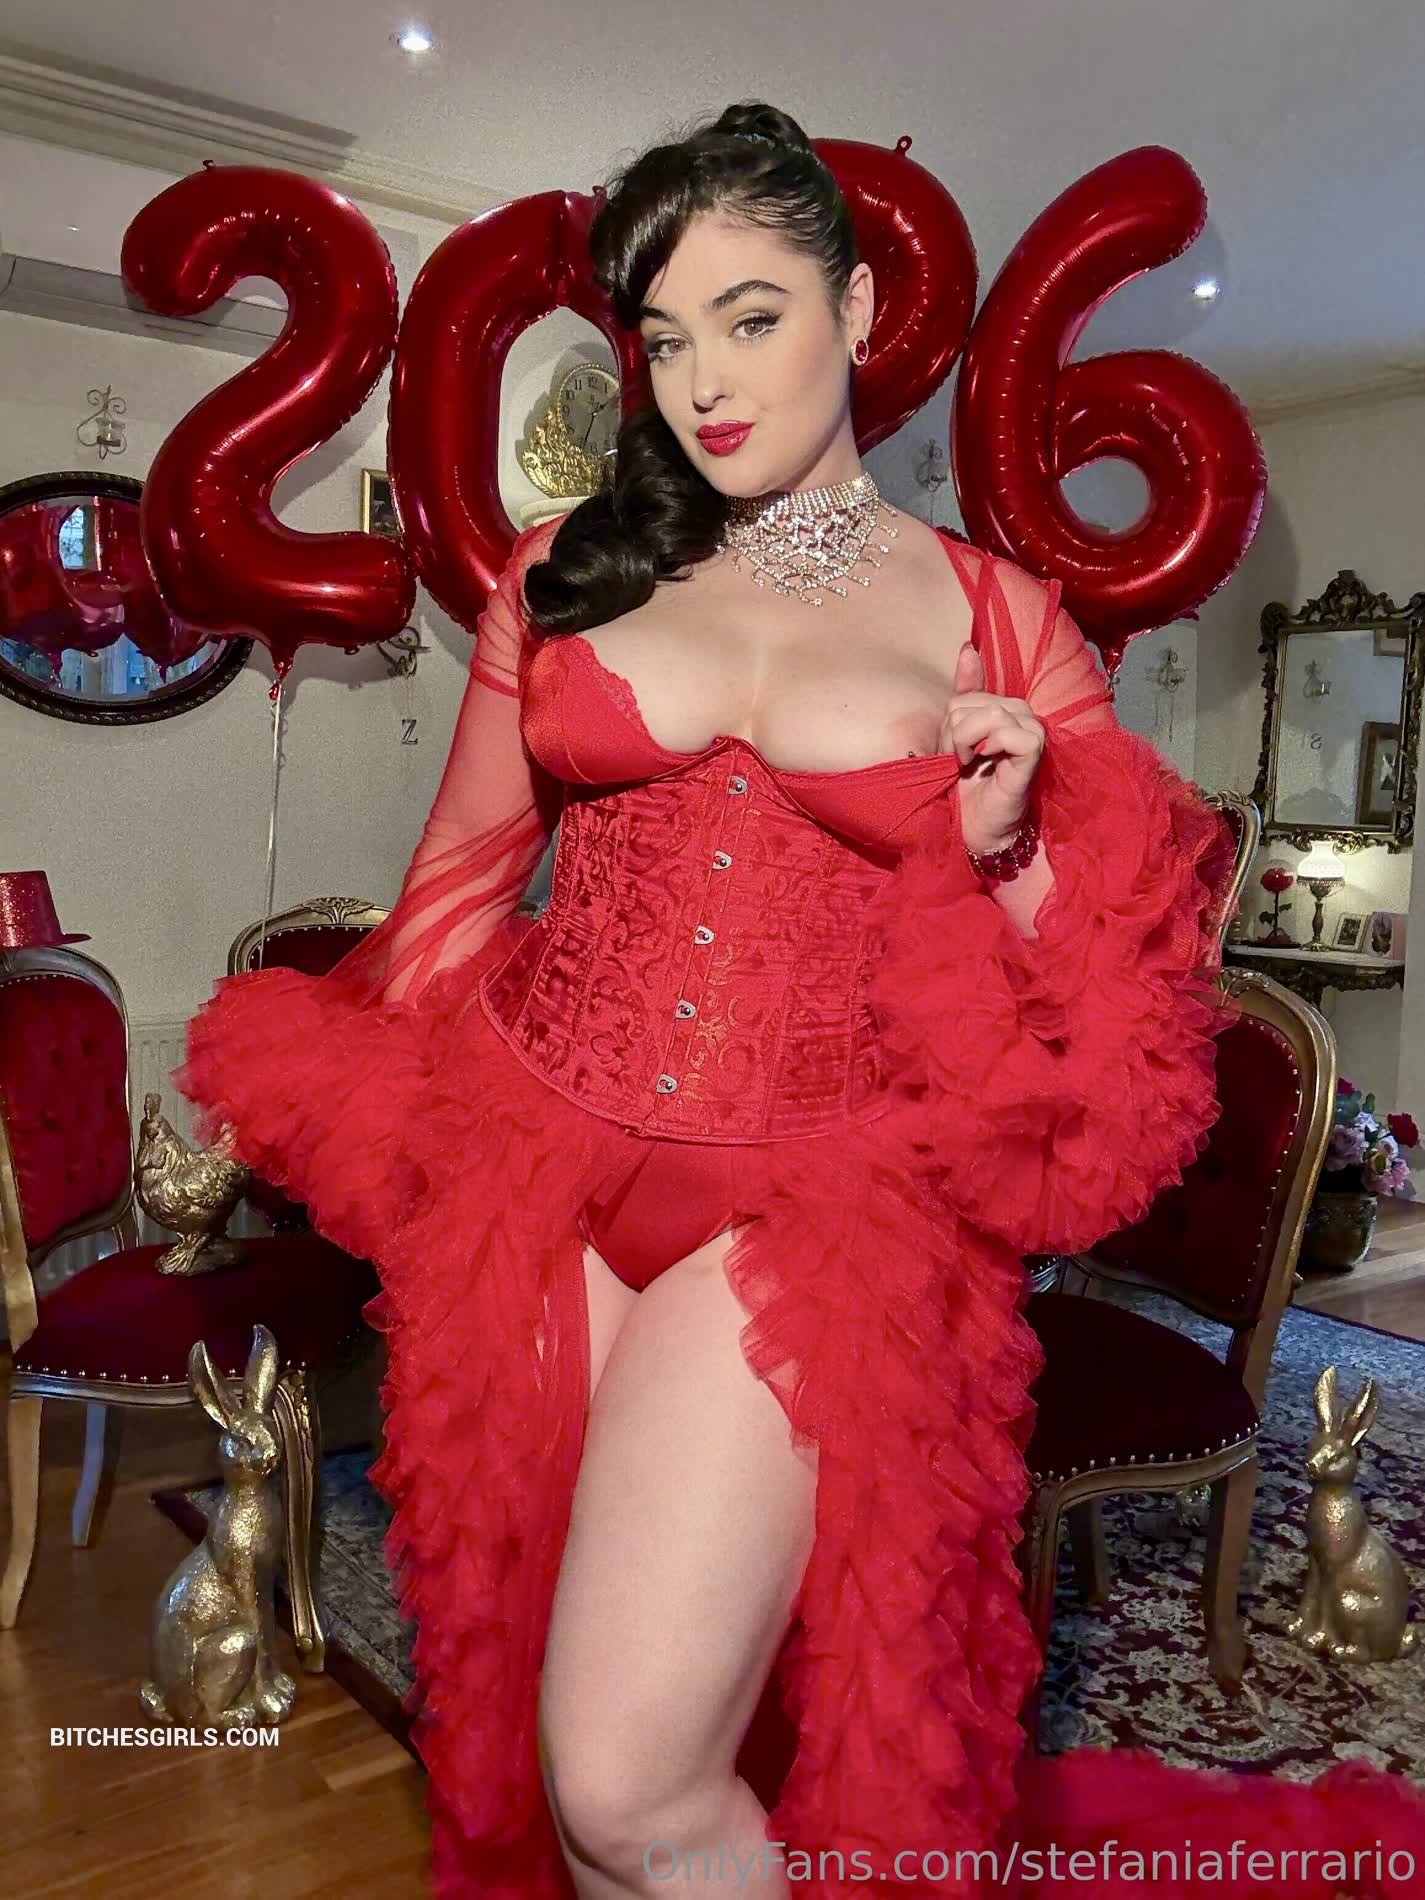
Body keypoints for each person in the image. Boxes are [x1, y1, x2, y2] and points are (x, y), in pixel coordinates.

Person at [182, 103, 1425, 1899]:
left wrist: (1005, 851)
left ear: (854, 310)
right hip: (540, 1162)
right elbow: (459, 877)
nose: (703, 380)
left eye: (749, 317)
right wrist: (402, 1143)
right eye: (664, 335)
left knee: (628, 1773)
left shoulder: (997, 616)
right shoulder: (567, 568)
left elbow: (1119, 977)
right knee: (549, 1730)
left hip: (807, 1206)